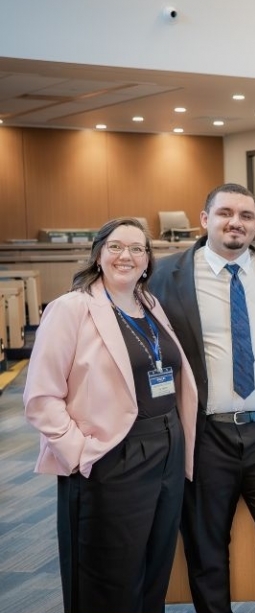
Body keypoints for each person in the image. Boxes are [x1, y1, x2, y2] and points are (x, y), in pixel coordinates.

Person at [149, 184, 255, 613]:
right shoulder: (167, 275)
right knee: (206, 548)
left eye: (246, 215)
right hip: (207, 433)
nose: (235, 222)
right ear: (205, 219)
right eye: (224, 213)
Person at [24, 217, 197, 613]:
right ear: (98, 254)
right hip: (109, 455)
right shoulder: (71, 309)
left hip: (166, 449)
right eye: (116, 246)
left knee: (154, 570)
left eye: (137, 249)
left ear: (148, 259)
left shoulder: (149, 304)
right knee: (108, 578)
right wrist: (79, 452)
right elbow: (41, 397)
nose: (126, 256)